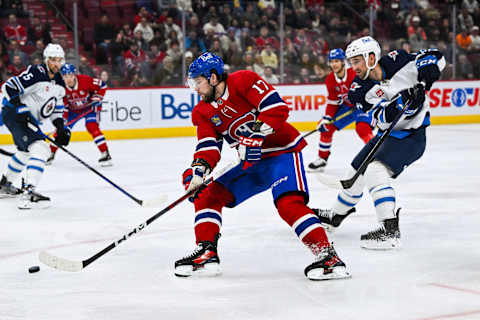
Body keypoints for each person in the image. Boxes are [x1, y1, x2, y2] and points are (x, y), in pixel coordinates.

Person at [175, 52, 351, 280]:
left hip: (282, 152)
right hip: (250, 162)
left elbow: (277, 109)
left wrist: (253, 134)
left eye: (197, 82)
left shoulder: (244, 80)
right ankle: (207, 251)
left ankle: (329, 258)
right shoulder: (202, 111)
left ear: (213, 78)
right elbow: (208, 145)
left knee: (288, 204)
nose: (195, 89)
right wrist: (199, 170)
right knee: (206, 195)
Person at [314, 36, 445, 249]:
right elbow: (378, 118)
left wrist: (428, 74)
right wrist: (402, 103)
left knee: (375, 172)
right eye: (351, 62)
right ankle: (335, 216)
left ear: (371, 57)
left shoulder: (399, 60)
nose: (353, 67)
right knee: (354, 172)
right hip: (387, 134)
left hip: (412, 137)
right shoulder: (358, 90)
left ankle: (389, 231)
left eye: (357, 61)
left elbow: (435, 56)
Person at [0, 43, 70, 209]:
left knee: (25, 152)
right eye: (53, 60)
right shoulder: (37, 73)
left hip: (28, 119)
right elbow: (8, 87)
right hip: (14, 114)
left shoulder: (60, 83)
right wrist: (20, 107)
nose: (56, 63)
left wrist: (60, 126)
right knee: (41, 149)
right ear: (47, 60)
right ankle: (28, 192)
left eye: (59, 60)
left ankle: (4, 185)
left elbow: (56, 108)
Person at [308, 48, 374, 172]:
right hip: (348, 108)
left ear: (343, 62)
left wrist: (362, 100)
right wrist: (327, 118)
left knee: (362, 128)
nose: (334, 64)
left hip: (364, 105)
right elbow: (333, 102)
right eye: (332, 61)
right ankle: (322, 159)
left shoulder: (354, 73)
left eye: (337, 61)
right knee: (326, 127)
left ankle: (375, 155)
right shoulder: (330, 80)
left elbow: (369, 86)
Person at [46, 63, 112, 166]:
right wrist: (63, 122)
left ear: (74, 75)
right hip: (72, 111)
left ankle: (105, 154)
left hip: (89, 108)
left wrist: (98, 97)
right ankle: (50, 154)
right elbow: (63, 106)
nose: (69, 79)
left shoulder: (85, 80)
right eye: (66, 76)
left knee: (92, 126)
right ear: (62, 76)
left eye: (71, 76)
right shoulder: (60, 87)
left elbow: (102, 85)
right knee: (61, 130)